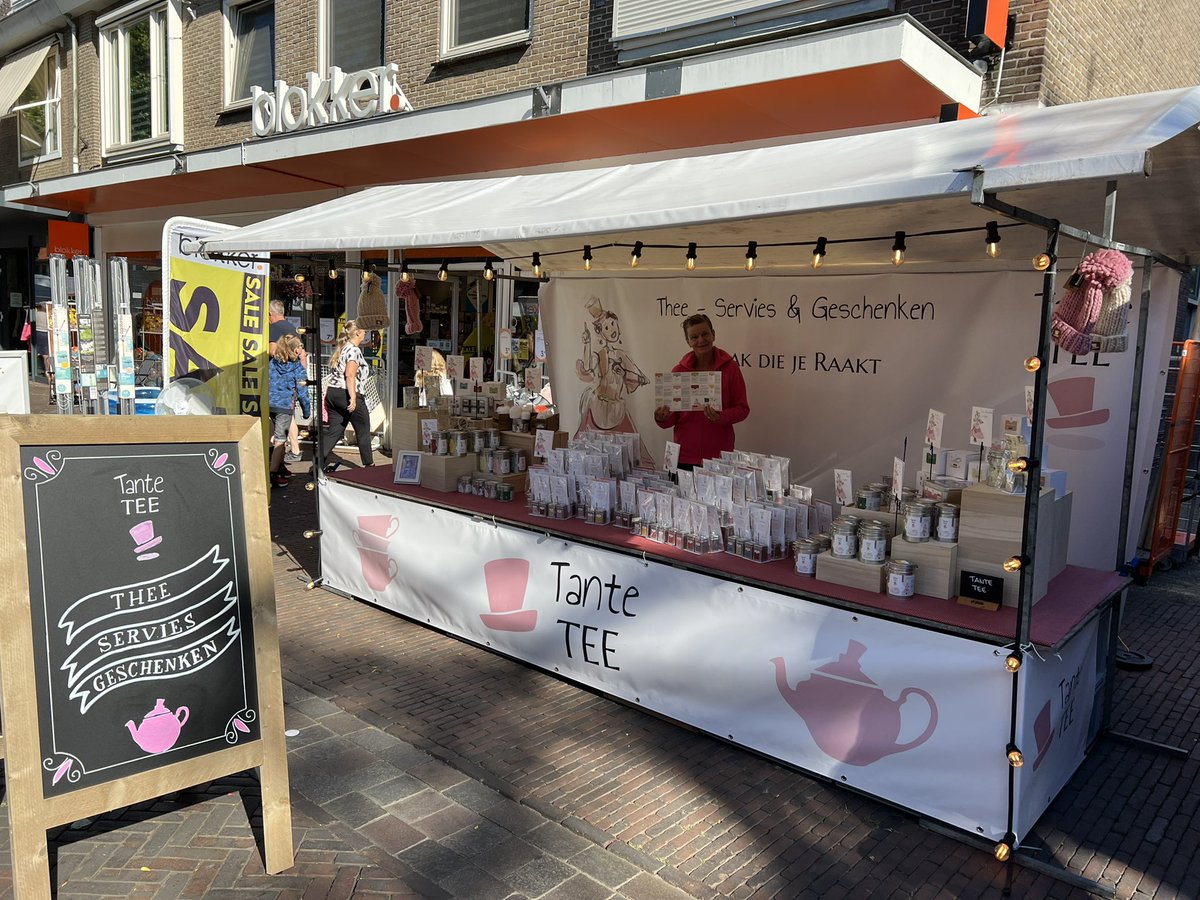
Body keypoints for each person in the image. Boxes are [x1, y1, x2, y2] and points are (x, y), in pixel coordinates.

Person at [653, 313, 750, 468]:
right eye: (694, 337)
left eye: (705, 334)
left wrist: (721, 416)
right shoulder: (678, 372)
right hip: (683, 455)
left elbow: (742, 409)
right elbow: (671, 420)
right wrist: (662, 418)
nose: (701, 340)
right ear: (688, 342)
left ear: (713, 334)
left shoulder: (730, 368)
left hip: (719, 456)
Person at [321, 319, 374, 473]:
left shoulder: (343, 348)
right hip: (347, 392)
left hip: (333, 392)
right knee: (363, 429)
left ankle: (318, 462)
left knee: (335, 431)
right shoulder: (354, 350)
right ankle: (369, 465)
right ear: (358, 333)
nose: (365, 334)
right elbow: (350, 375)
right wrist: (353, 398)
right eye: (364, 331)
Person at [267, 334, 311, 488]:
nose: (302, 349)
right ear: (295, 349)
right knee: (280, 440)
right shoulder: (297, 367)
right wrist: (307, 410)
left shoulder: (272, 363)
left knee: (274, 437)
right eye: (301, 347)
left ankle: (279, 468)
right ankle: (272, 476)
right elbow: (302, 390)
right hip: (284, 406)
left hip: (269, 404)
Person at [268, 299, 306, 465]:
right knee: (288, 419)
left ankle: (274, 469)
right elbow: (301, 353)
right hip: (288, 393)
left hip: (275, 394)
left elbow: (271, 351)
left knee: (279, 434)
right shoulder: (292, 328)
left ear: (270, 314)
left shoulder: (274, 328)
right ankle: (295, 450)